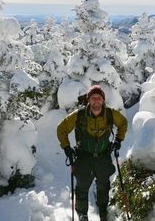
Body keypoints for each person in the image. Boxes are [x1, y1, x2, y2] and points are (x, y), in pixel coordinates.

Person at [57, 85, 128, 221]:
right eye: (93, 98)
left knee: (103, 185)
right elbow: (61, 129)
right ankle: (82, 214)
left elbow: (123, 123)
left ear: (103, 100)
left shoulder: (111, 114)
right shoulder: (79, 115)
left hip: (103, 156)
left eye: (99, 98)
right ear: (89, 100)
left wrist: (118, 140)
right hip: (84, 157)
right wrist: (67, 148)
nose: (96, 101)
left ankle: (102, 209)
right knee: (82, 187)